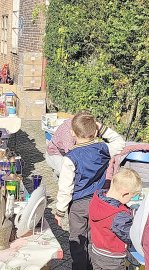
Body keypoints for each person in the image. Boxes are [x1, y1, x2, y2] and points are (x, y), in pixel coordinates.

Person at [54, 111, 125, 270]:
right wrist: (103, 129)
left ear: (72, 133)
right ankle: (93, 266)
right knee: (93, 237)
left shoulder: (70, 157)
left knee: (78, 239)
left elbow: (65, 188)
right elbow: (120, 142)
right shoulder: (103, 148)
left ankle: (80, 267)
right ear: (95, 132)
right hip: (97, 201)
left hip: (78, 204)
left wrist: (60, 211)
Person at [89, 168, 142, 270]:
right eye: (131, 197)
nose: (129, 200)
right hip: (112, 258)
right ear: (125, 193)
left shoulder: (97, 198)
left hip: (96, 250)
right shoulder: (118, 216)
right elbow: (130, 235)